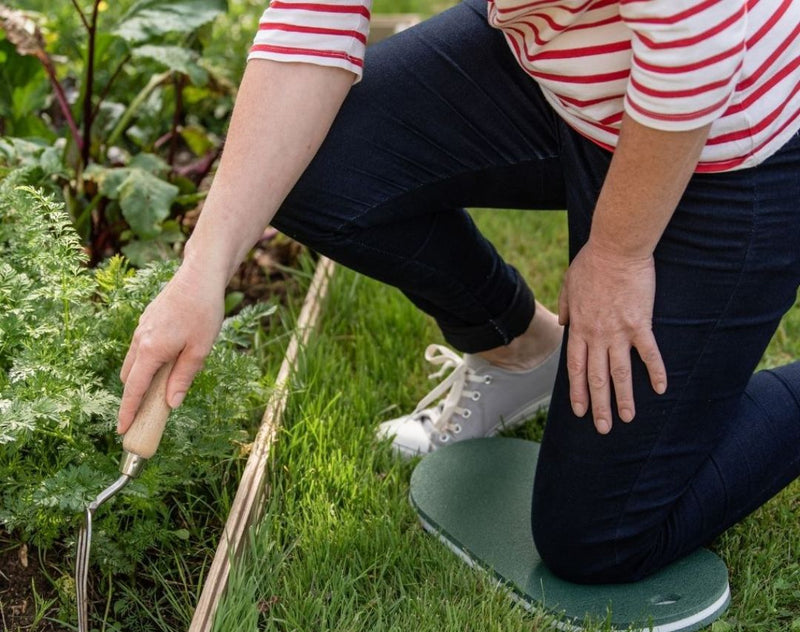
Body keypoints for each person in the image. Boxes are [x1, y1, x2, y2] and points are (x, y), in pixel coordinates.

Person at [117, 0, 800, 585]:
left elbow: (697, 43)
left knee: (601, 538)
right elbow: (310, 25)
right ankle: (522, 349)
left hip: (727, 129)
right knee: (310, 166)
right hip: (566, 73)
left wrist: (618, 254)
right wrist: (200, 273)